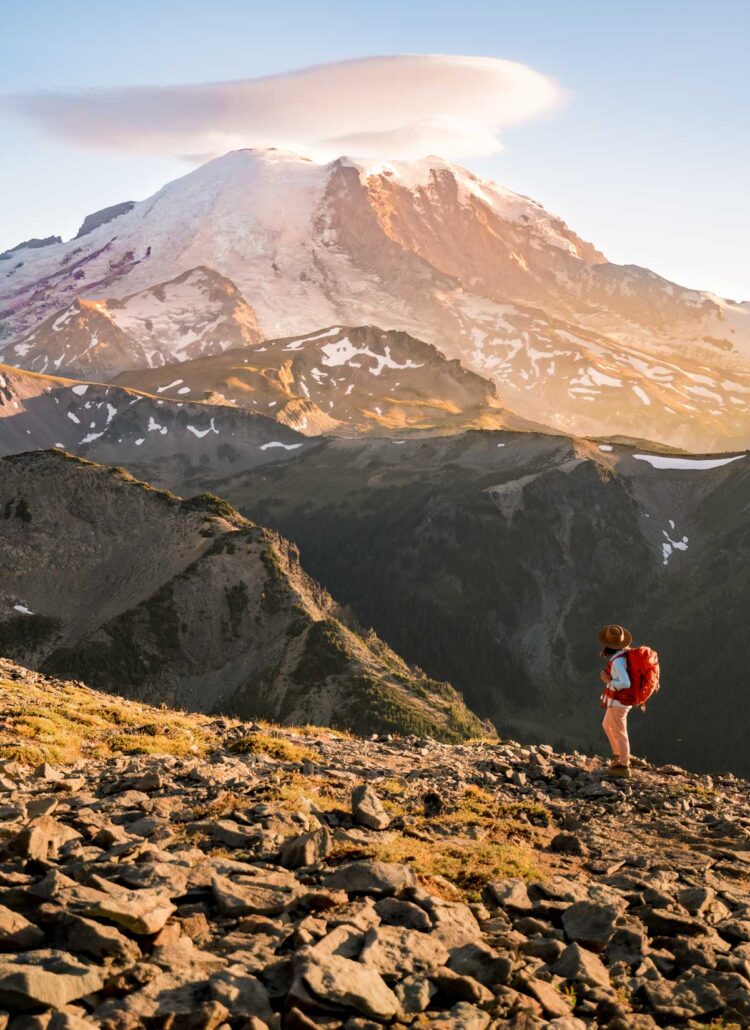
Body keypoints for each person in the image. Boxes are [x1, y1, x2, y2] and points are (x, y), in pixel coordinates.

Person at [598, 624, 633, 779]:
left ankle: (624, 766)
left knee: (620, 732)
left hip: (619, 702)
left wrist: (609, 682)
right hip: (618, 701)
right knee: (607, 725)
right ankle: (617, 755)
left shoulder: (618, 662)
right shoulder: (623, 656)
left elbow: (625, 683)